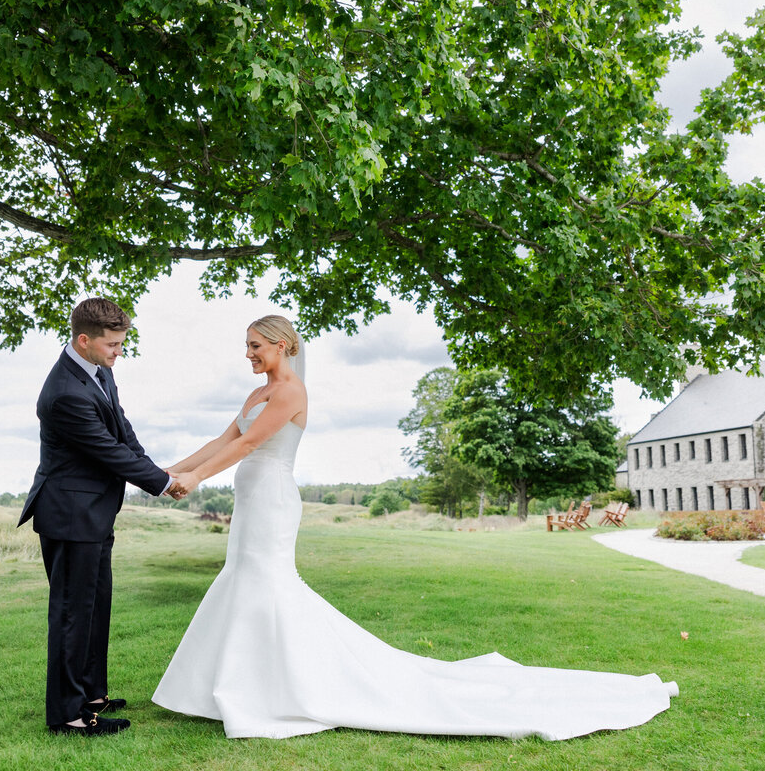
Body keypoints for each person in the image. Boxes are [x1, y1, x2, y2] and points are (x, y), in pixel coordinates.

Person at [152, 315, 677, 739]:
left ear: (283, 345)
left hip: (271, 499)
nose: (248, 354)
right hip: (250, 499)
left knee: (266, 584)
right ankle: (249, 687)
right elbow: (224, 441)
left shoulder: (291, 392)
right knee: (245, 582)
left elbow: (249, 445)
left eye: (255, 346)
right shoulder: (256, 394)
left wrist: (195, 480)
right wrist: (166, 472)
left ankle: (279, 688)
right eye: (246, 346)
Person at [20, 297, 190, 736]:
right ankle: (68, 715)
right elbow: (106, 449)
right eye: (112, 345)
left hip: (94, 513)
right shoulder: (65, 392)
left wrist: (157, 469)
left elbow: (122, 430)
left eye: (121, 343)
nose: (119, 352)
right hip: (69, 515)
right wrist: (163, 483)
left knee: (96, 608)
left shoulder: (99, 371)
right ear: (84, 340)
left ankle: (92, 696)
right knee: (72, 615)